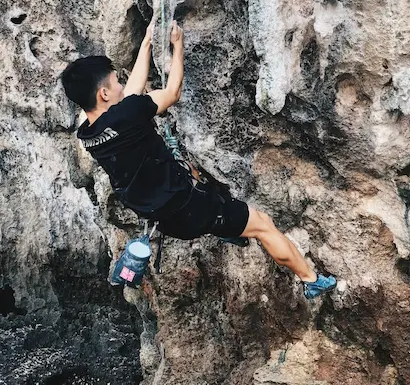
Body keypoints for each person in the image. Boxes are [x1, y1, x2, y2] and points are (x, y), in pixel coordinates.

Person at [60, 20, 336, 299]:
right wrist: (178, 48)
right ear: (103, 94)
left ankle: (226, 227)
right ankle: (310, 280)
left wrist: (147, 42)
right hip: (190, 210)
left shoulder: (89, 133)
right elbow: (172, 93)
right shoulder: (127, 114)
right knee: (263, 224)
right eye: (115, 82)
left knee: (198, 178)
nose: (121, 85)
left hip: (164, 219)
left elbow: (129, 96)